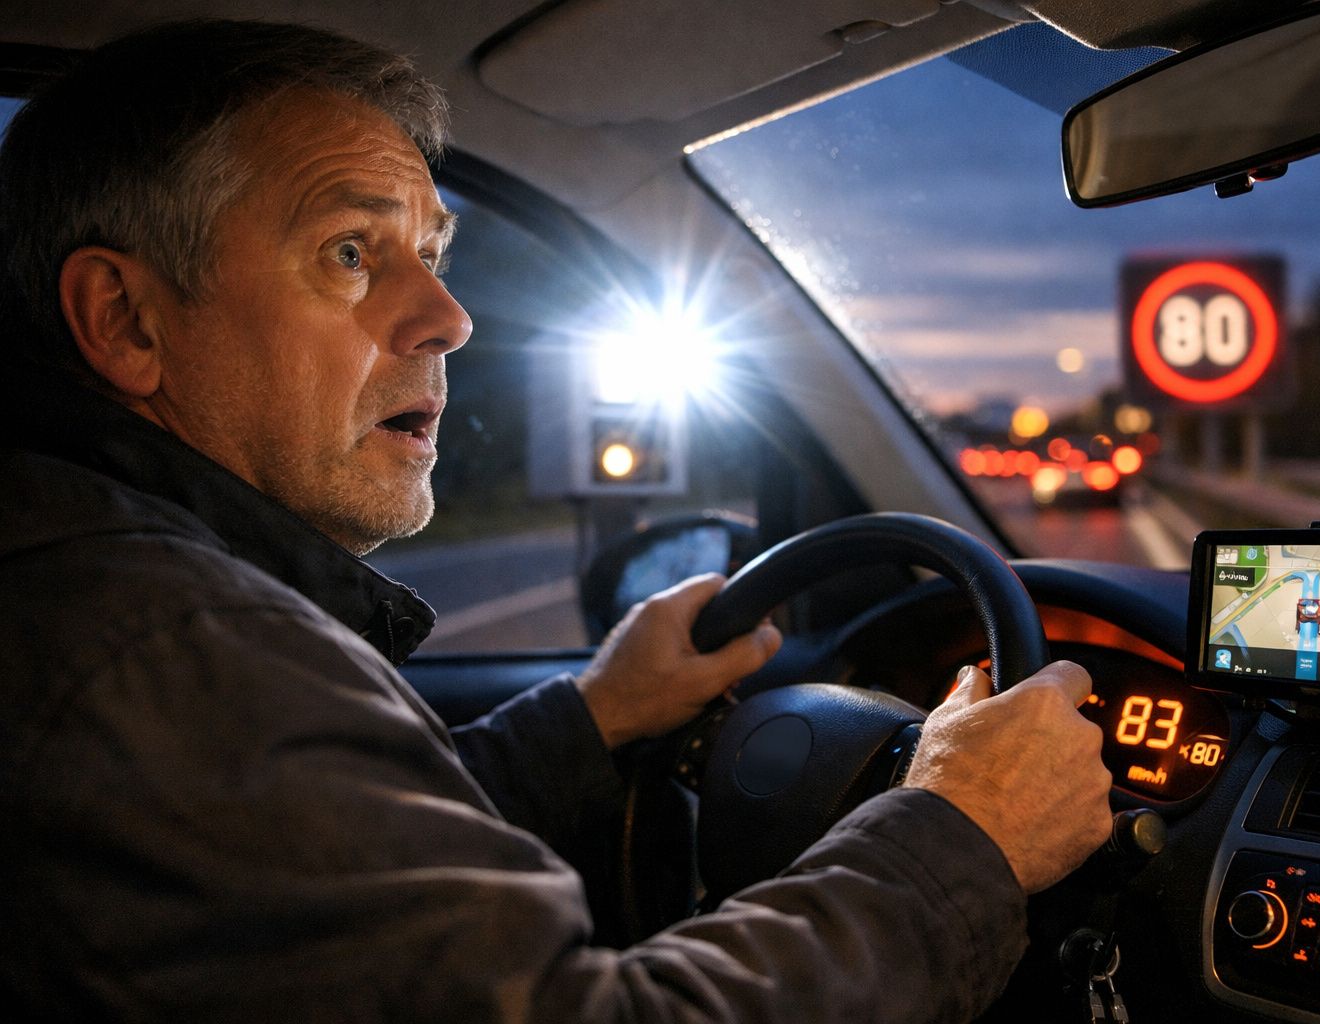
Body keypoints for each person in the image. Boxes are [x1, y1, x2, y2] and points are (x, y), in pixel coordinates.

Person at [0, 19, 1112, 1022]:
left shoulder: (103, 590)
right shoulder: (168, 648)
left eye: (432, 256)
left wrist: (597, 712)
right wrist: (961, 835)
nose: (449, 316)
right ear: (126, 318)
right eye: (350, 252)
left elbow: (326, 877)